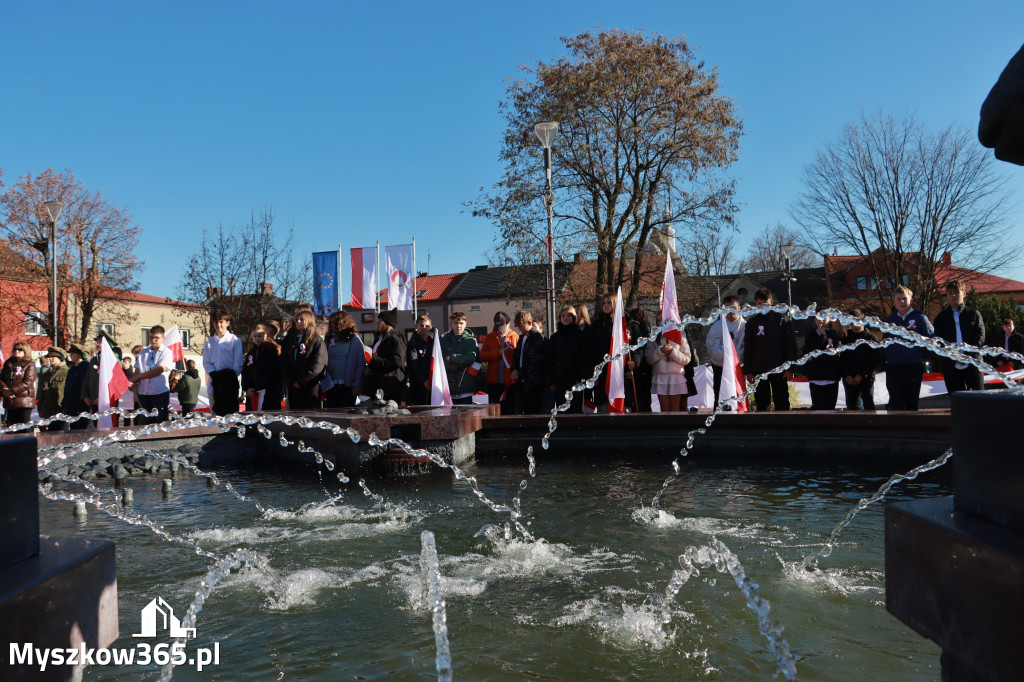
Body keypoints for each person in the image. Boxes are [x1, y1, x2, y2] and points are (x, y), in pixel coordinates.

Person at [743, 288, 797, 411]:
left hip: (779, 369)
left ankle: (784, 428)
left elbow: (791, 345)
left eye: (765, 303)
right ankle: (763, 428)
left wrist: (790, 367)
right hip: (758, 369)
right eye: (759, 303)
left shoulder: (782, 320)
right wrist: (749, 371)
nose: (762, 306)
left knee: (782, 400)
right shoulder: (752, 323)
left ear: (771, 302)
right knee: (761, 402)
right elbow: (748, 348)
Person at [883, 285, 934, 411]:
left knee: (911, 400)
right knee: (895, 400)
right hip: (893, 366)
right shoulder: (890, 321)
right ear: (894, 303)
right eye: (898, 299)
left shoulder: (920, 318)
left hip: (913, 365)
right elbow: (884, 342)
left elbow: (931, 339)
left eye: (904, 299)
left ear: (911, 300)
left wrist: (924, 359)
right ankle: (897, 429)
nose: (901, 302)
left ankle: (912, 429)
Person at [932, 279, 986, 393]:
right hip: (951, 366)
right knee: (958, 401)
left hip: (973, 363)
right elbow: (938, 341)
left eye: (957, 292)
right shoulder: (941, 318)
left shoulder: (973, 314)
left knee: (979, 399)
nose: (953, 296)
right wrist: (954, 357)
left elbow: (980, 336)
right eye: (950, 293)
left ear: (964, 294)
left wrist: (966, 356)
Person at [282, 309, 328, 409]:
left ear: (309, 321)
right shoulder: (291, 339)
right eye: (297, 320)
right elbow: (284, 361)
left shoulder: (317, 340)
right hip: (293, 386)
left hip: (310, 386)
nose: (298, 322)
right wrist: (292, 380)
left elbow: (318, 365)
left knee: (310, 417)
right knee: (295, 418)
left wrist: (301, 381)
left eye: (301, 319)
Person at [643, 320, 692, 412]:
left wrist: (672, 352)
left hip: (676, 377)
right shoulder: (654, 336)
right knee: (664, 410)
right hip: (660, 377)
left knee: (675, 410)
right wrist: (660, 351)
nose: (660, 322)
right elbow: (649, 359)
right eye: (657, 320)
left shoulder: (680, 335)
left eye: (662, 319)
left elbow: (687, 358)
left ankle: (675, 426)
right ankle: (665, 426)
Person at [706, 295, 746, 406]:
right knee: (720, 398)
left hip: (739, 368)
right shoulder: (716, 327)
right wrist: (729, 358)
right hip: (720, 367)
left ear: (739, 307)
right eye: (727, 308)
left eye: (733, 307)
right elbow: (712, 348)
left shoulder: (746, 326)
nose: (730, 310)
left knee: (739, 398)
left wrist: (734, 357)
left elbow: (747, 349)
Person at [545, 305, 587, 412]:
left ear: (573, 317)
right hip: (559, 380)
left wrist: (583, 377)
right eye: (563, 316)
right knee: (561, 409)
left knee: (576, 409)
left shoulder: (580, 336)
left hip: (576, 380)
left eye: (568, 315)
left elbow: (584, 357)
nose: (566, 318)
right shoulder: (555, 338)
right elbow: (550, 359)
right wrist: (550, 381)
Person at [203, 309, 244, 416]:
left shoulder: (234, 340)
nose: (218, 325)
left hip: (230, 383)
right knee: (216, 414)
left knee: (230, 415)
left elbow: (238, 363)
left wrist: (228, 376)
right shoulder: (209, 342)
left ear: (227, 323)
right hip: (214, 383)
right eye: (216, 322)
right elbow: (206, 362)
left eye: (221, 322)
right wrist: (214, 375)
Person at [130, 326, 175, 423]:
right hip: (144, 393)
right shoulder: (143, 352)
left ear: (163, 338)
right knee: (145, 422)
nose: (153, 340)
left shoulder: (167, 352)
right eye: (150, 337)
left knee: (160, 422)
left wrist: (140, 376)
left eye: (156, 338)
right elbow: (137, 370)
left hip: (159, 393)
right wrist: (133, 381)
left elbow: (159, 370)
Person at [323, 311, 366, 408]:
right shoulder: (328, 339)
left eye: (335, 322)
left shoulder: (354, 339)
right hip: (331, 386)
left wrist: (357, 384)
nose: (332, 325)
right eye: (331, 323)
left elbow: (360, 364)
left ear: (343, 323)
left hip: (348, 386)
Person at [840, 309, 880, 410]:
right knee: (852, 406)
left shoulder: (871, 338)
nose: (856, 325)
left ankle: (871, 424)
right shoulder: (845, 340)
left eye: (858, 322)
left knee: (868, 403)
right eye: (853, 322)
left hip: (866, 378)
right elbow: (841, 360)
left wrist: (861, 374)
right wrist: (847, 376)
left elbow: (874, 359)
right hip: (850, 379)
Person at [479, 312, 518, 414]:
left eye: (502, 326)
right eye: (498, 326)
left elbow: (518, 358)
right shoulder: (489, 337)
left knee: (509, 410)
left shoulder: (515, 337)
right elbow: (483, 356)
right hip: (494, 381)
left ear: (509, 323)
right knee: (495, 410)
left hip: (509, 381)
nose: (500, 330)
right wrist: (498, 353)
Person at [800, 315, 842, 410]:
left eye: (824, 318)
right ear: (815, 320)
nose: (821, 321)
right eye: (819, 318)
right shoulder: (811, 335)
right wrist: (822, 337)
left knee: (830, 410)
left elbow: (835, 357)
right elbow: (807, 354)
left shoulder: (834, 336)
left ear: (829, 319)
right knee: (818, 410)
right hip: (816, 378)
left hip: (831, 378)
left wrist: (815, 358)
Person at [242, 321, 285, 412]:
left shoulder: (272, 351)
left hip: (269, 393)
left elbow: (274, 373)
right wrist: (247, 387)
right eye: (255, 336)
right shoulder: (251, 353)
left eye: (260, 336)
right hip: (253, 393)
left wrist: (260, 386)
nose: (257, 338)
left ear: (265, 335)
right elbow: (246, 372)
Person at [583, 293, 617, 411]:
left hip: (618, 372)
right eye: (604, 303)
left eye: (609, 303)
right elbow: (589, 352)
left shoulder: (623, 324)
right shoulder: (596, 325)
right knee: (603, 407)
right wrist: (592, 374)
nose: (606, 305)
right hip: (601, 372)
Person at [365, 308, 406, 402]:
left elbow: (396, 361)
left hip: (390, 386)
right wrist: (369, 368)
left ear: (387, 323)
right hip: (379, 385)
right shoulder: (379, 339)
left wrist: (372, 361)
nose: (377, 323)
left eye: (379, 321)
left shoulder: (395, 339)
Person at [512, 310, 547, 414]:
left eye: (521, 326)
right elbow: (517, 356)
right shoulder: (522, 337)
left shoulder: (537, 337)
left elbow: (534, 361)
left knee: (533, 409)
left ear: (530, 323)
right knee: (523, 409)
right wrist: (515, 370)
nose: (519, 329)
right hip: (523, 381)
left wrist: (520, 372)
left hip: (533, 381)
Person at [440, 311, 479, 405]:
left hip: (466, 388)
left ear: (466, 324)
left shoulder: (471, 340)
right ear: (451, 324)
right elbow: (441, 361)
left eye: (461, 323)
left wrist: (452, 357)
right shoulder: (443, 340)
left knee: (466, 418)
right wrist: (458, 365)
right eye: (456, 323)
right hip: (449, 388)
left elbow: (470, 359)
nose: (458, 326)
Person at [0, 342, 37, 429]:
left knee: (24, 428)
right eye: (15, 349)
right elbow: (1, 379)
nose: (17, 351)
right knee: (11, 429)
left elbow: (28, 381)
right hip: (10, 401)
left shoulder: (29, 365)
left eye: (20, 349)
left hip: (24, 401)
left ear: (25, 351)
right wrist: (4, 390)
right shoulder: (8, 364)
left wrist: (12, 390)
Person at [62, 343, 96, 429]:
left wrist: (81, 407)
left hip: (81, 408)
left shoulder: (86, 368)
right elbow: (67, 389)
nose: (71, 355)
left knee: (83, 431)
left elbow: (83, 389)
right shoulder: (72, 369)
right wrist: (65, 405)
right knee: (73, 432)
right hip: (71, 408)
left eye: (73, 353)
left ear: (80, 355)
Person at [626, 308, 652, 413]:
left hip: (640, 365)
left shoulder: (638, 329)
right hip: (644, 366)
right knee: (644, 396)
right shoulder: (647, 329)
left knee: (638, 395)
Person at [38, 346, 69, 430]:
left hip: (60, 411)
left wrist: (66, 408)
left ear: (60, 358)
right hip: (48, 411)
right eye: (49, 357)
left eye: (53, 356)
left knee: (62, 436)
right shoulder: (47, 374)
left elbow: (69, 392)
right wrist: (40, 408)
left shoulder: (66, 372)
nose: (50, 359)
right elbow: (42, 393)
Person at [406, 314, 434, 406]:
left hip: (433, 383)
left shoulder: (434, 342)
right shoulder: (412, 343)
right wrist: (423, 381)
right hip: (418, 385)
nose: (424, 328)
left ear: (430, 327)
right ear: (416, 326)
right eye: (421, 325)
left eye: (426, 326)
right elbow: (414, 365)